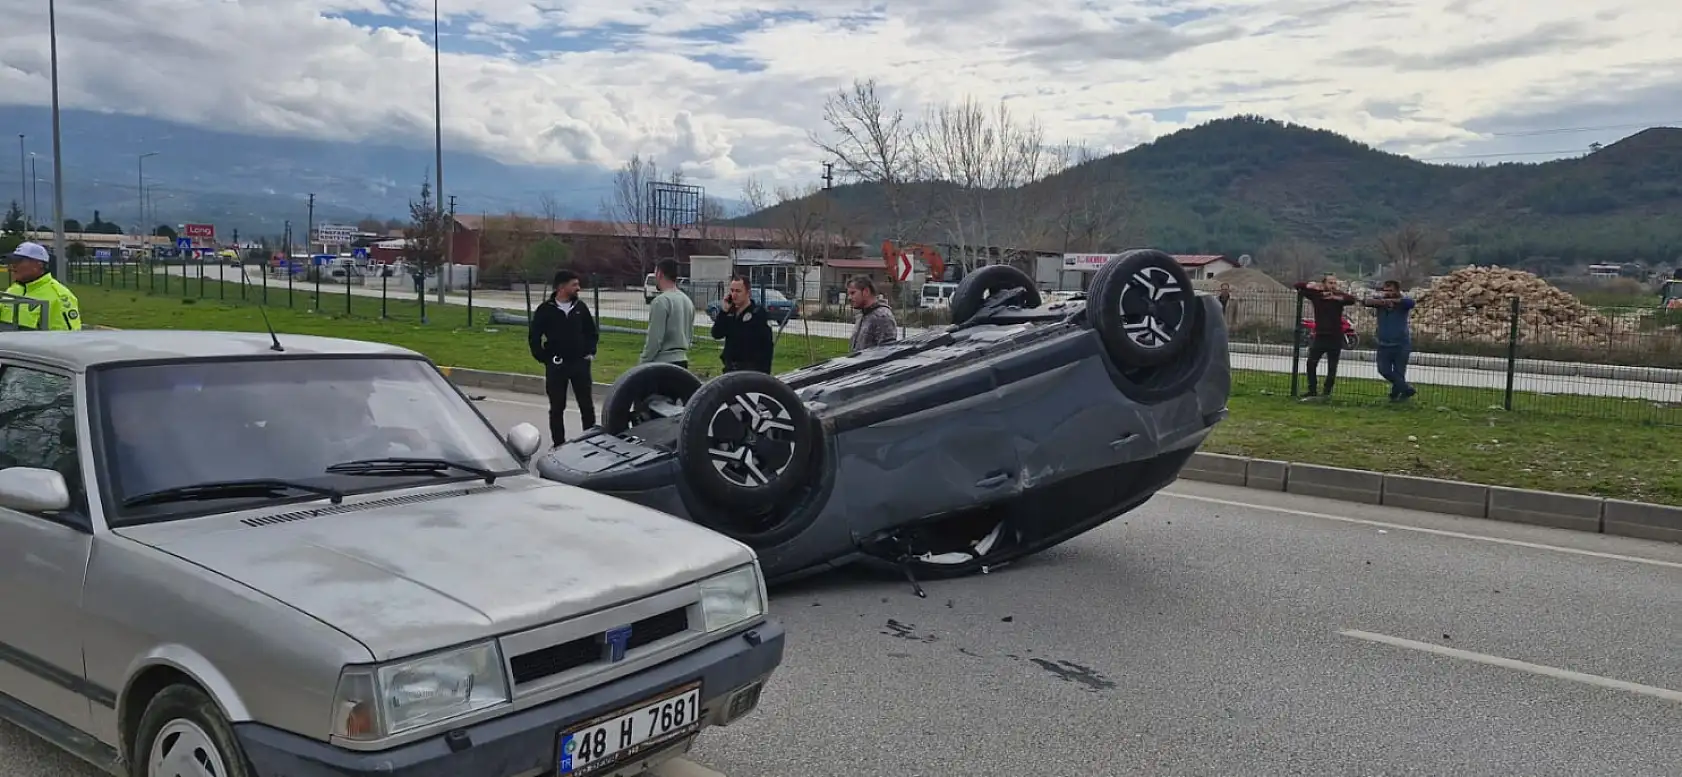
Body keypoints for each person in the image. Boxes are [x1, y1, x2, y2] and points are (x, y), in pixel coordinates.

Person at [528, 269, 599, 445]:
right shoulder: (545, 310)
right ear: (561, 287)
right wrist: (544, 357)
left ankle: (589, 441)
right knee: (557, 407)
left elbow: (591, 332)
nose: (578, 288)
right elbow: (534, 337)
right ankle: (558, 443)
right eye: (574, 284)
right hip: (557, 365)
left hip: (580, 364)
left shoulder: (580, 308)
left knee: (586, 405)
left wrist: (590, 351)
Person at [1292, 274, 1357, 401]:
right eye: (1330, 283)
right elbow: (1298, 286)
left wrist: (1335, 297)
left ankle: (1326, 392)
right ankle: (1312, 390)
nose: (1333, 285)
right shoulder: (1317, 296)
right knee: (1311, 363)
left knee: (1332, 367)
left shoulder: (1339, 296)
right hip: (1320, 336)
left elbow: (1351, 299)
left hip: (1335, 336)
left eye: (1334, 283)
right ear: (1324, 284)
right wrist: (1311, 285)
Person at [0, 242, 82, 331]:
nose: (13, 266)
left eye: (19, 261)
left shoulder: (59, 297)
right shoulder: (13, 290)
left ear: (39, 264)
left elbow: (67, 339)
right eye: (12, 261)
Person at [1363, 279, 1417, 402]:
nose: (1387, 293)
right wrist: (1382, 301)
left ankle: (1396, 396)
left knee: (1399, 372)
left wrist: (1392, 301)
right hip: (1383, 344)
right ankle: (1406, 389)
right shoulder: (1380, 303)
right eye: (1385, 291)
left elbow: (1411, 303)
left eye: (1391, 291)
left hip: (1401, 344)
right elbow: (1366, 302)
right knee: (1384, 370)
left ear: (1397, 291)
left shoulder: (1402, 303)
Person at [710, 275, 775, 374]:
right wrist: (724, 312)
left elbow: (767, 347)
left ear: (748, 293)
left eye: (738, 291)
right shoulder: (730, 313)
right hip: (730, 369)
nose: (734, 295)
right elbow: (716, 334)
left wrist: (764, 374)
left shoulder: (757, 314)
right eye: (732, 291)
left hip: (750, 371)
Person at [640, 259, 695, 368]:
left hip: (663, 363)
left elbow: (655, 339)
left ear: (659, 273)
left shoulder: (661, 301)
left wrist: (643, 361)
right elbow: (690, 335)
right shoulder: (687, 301)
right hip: (682, 361)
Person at [846, 275, 898, 352]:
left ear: (866, 291)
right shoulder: (862, 315)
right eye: (848, 294)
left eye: (853, 293)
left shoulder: (882, 317)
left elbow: (886, 352)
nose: (849, 298)